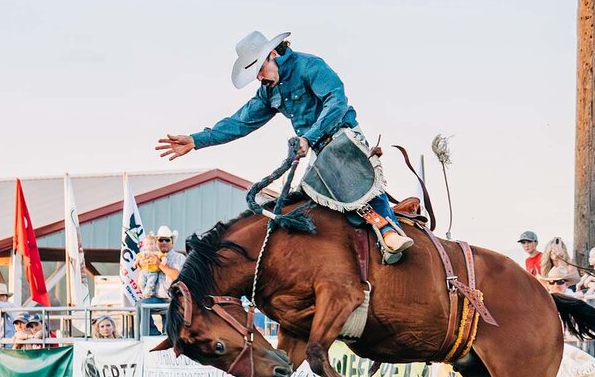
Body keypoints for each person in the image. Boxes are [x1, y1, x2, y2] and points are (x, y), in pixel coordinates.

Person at [155, 30, 414, 257]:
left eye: (258, 69)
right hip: (317, 150)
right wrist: (195, 140)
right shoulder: (270, 90)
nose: (258, 78)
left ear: (272, 55)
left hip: (343, 137)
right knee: (310, 201)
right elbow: (240, 122)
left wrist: (308, 138)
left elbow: (337, 102)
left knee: (352, 182)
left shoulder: (310, 66)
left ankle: (390, 232)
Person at [140, 226, 186, 336]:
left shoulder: (179, 258)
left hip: (173, 300)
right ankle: (153, 334)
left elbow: (177, 276)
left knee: (168, 335)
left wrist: (159, 264)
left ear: (172, 242)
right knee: (140, 306)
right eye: (160, 240)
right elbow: (142, 278)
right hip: (156, 298)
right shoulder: (149, 256)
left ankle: (164, 340)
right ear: (156, 242)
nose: (164, 242)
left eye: (167, 239)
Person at [135, 233, 165, 299]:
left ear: (155, 245)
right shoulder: (142, 253)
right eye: (147, 244)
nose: (149, 246)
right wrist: (135, 263)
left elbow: (162, 256)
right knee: (141, 283)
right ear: (144, 246)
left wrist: (163, 261)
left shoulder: (156, 253)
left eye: (151, 244)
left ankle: (147, 293)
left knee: (150, 284)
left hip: (153, 272)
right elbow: (138, 259)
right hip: (143, 272)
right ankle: (145, 292)